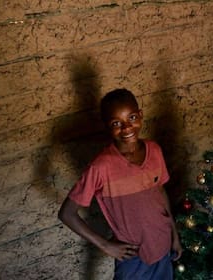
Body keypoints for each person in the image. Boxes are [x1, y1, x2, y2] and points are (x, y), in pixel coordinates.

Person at [58, 88, 182, 279]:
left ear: (140, 115)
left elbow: (160, 193)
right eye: (116, 123)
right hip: (133, 258)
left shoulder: (154, 150)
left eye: (132, 118)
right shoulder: (102, 166)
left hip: (163, 246)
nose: (126, 128)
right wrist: (106, 245)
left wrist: (174, 235)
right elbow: (67, 214)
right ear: (107, 126)